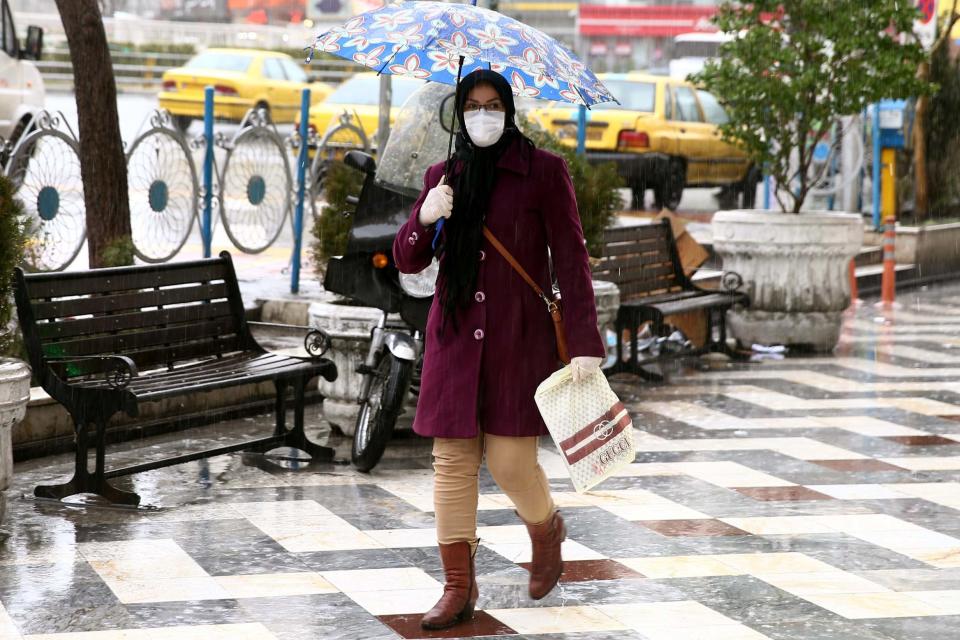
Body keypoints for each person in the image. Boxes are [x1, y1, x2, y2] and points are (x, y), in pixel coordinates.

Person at [392, 69, 605, 631]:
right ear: (458, 113)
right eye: (472, 105)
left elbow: (572, 259)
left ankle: (546, 528)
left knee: (512, 463)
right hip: (455, 337)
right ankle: (458, 587)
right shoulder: (445, 174)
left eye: (493, 106)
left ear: (508, 111)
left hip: (518, 338)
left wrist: (584, 342)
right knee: (452, 463)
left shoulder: (544, 172)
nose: (482, 115)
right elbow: (408, 259)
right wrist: (426, 214)